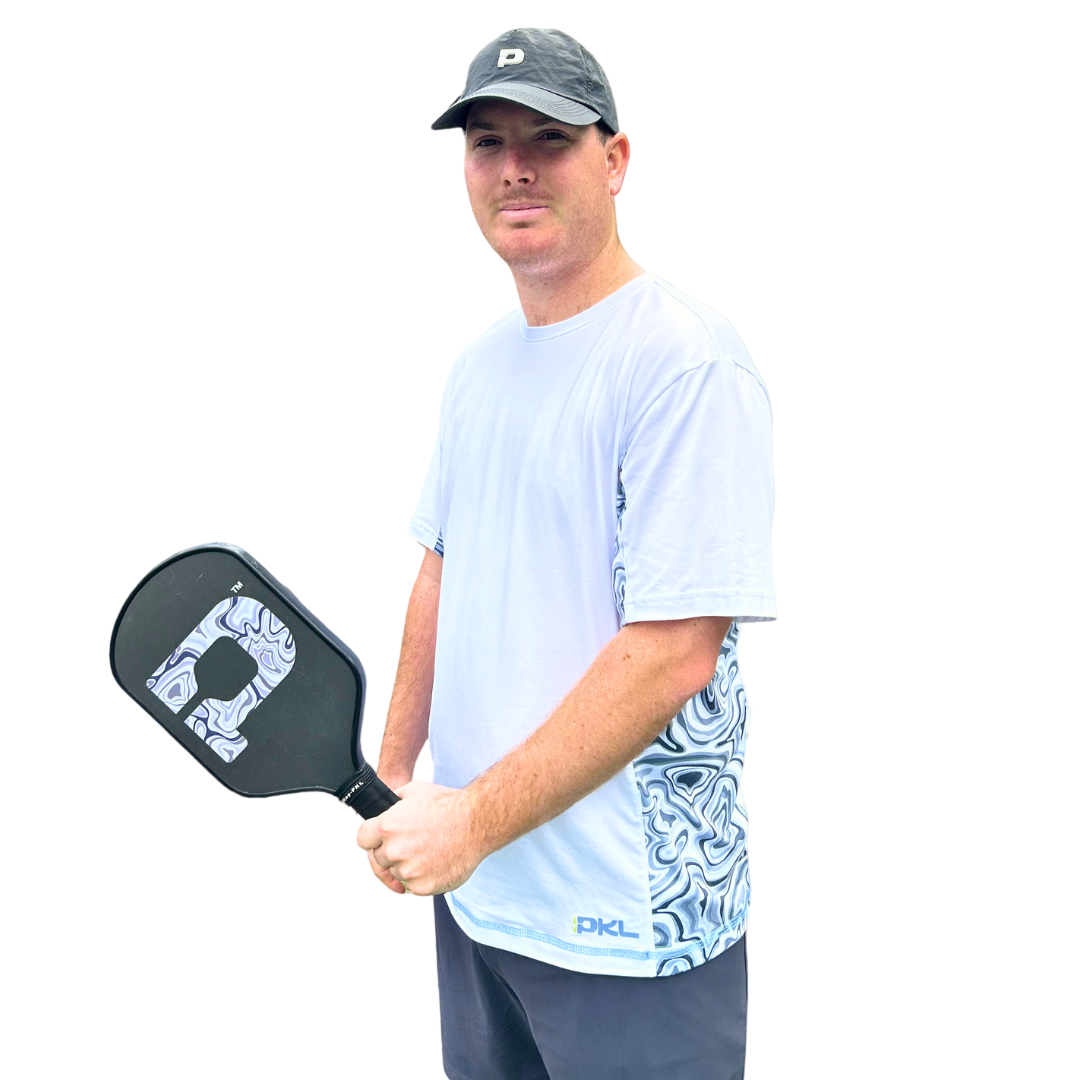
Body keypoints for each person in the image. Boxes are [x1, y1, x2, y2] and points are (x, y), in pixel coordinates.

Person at [356, 27, 776, 1080]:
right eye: (488, 143)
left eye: (549, 137)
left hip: (632, 927)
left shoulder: (686, 366)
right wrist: (399, 772)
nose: (516, 168)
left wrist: (470, 822)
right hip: (483, 897)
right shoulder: (479, 367)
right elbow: (443, 570)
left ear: (616, 160)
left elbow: (674, 649)